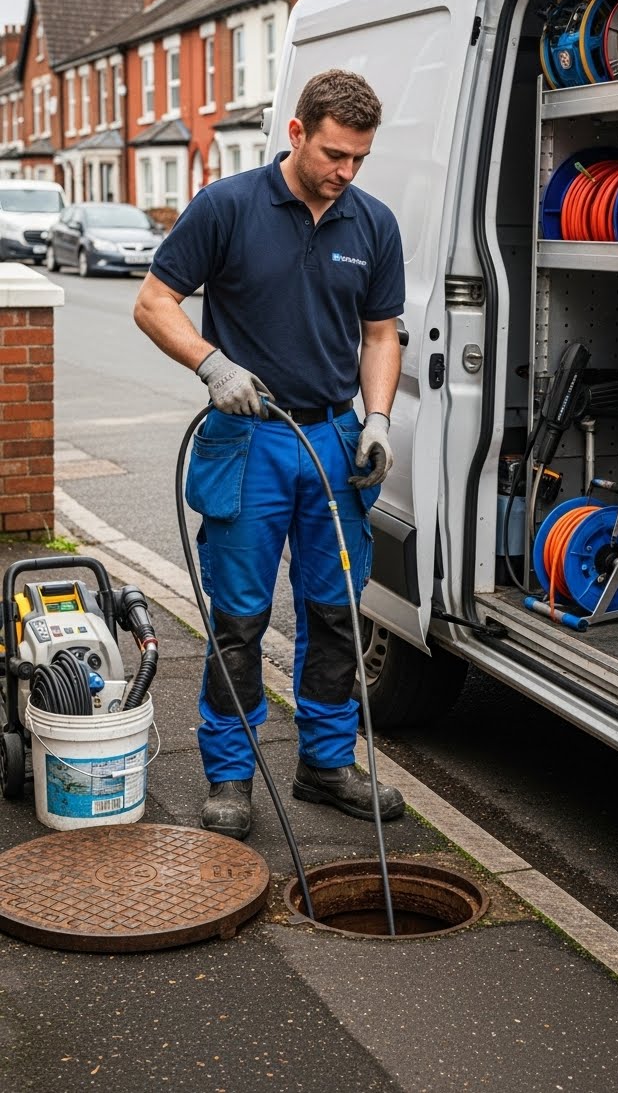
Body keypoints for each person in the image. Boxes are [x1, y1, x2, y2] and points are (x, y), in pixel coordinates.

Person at [134, 68, 405, 840]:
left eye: (358, 158)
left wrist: (377, 418)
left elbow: (381, 333)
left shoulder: (372, 225)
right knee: (239, 619)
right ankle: (230, 773)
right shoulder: (228, 206)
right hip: (247, 438)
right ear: (296, 133)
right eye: (332, 154)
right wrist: (211, 365)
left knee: (336, 613)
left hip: (332, 439)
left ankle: (324, 762)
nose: (344, 172)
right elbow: (153, 301)